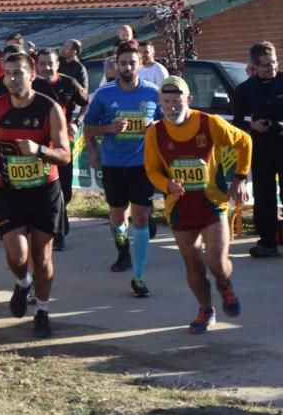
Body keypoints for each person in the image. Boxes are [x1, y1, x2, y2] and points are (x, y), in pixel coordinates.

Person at [145, 76, 251, 333]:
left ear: (189, 100)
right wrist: (167, 185)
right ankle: (206, 310)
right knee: (193, 263)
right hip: (179, 207)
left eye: (177, 100)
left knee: (215, 260)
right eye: (167, 101)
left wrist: (239, 178)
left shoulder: (209, 123)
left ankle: (225, 285)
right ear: (160, 102)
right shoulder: (155, 132)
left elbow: (245, 141)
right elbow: (151, 169)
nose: (172, 107)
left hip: (212, 202)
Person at [0, 52, 70, 338]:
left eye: (19, 72)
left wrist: (40, 150)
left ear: (32, 75)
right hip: (11, 189)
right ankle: (22, 283)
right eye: (8, 73)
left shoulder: (49, 108)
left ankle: (42, 310)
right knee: (17, 256)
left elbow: (65, 155)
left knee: (41, 257)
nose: (13, 78)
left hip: (45, 191)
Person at [82, 42, 161, 297]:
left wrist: (154, 128)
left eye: (132, 62)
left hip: (142, 164)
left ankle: (139, 275)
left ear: (140, 64)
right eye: (123, 63)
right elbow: (89, 128)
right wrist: (104, 137)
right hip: (114, 164)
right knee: (118, 215)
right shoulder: (105, 94)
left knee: (140, 217)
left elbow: (165, 124)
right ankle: (123, 251)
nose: (127, 67)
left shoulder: (152, 93)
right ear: (117, 64)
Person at [232, 41, 283, 258]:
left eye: (273, 63)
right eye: (265, 65)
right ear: (254, 66)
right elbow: (236, 122)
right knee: (264, 196)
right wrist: (253, 125)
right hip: (261, 148)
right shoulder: (245, 89)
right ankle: (267, 242)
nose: (271, 68)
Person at [35, 49, 88, 251]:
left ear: (58, 64)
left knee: (65, 190)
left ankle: (60, 219)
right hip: (40, 145)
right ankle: (56, 233)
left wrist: (76, 122)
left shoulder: (69, 83)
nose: (47, 67)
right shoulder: (32, 86)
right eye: (43, 64)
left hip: (63, 144)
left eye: (51, 63)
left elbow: (85, 105)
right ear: (37, 66)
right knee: (49, 190)